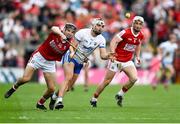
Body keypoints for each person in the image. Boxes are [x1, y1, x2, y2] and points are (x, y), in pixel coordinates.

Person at [4, 23, 77, 110]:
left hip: (50, 63)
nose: (70, 33)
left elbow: (71, 50)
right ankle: (14, 87)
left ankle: (40, 103)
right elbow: (53, 27)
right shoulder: (56, 33)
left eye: (72, 32)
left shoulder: (70, 42)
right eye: (68, 30)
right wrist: (61, 34)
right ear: (64, 29)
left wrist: (72, 53)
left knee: (52, 89)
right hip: (39, 57)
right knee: (26, 79)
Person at [50, 18, 114, 110]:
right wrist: (72, 53)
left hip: (80, 61)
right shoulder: (82, 33)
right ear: (93, 26)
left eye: (102, 26)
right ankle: (59, 101)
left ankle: (54, 97)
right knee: (68, 77)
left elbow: (102, 55)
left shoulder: (101, 39)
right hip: (71, 57)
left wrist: (109, 56)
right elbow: (72, 45)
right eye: (98, 25)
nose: (100, 28)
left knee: (68, 88)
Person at [90, 16, 145, 107]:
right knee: (107, 81)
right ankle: (94, 98)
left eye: (140, 24)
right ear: (133, 23)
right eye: (136, 23)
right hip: (116, 60)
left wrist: (138, 56)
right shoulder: (125, 32)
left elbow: (138, 44)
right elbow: (113, 41)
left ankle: (120, 94)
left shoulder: (141, 35)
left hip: (127, 60)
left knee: (134, 78)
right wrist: (112, 53)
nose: (138, 26)